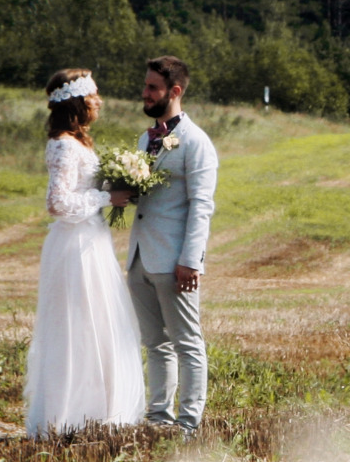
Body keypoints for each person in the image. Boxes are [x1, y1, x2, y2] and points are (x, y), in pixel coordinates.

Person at [25, 68, 146, 437]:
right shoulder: (63, 144)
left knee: (100, 323)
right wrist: (106, 197)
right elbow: (57, 202)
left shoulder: (78, 144)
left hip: (91, 239)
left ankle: (98, 411)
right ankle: (70, 415)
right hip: (75, 245)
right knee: (78, 326)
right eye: (94, 96)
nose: (100, 101)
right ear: (78, 103)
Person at [115, 55, 218, 433]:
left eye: (152, 88)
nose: (144, 93)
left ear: (174, 92)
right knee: (155, 344)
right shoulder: (146, 138)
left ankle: (188, 425)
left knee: (187, 343)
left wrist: (191, 260)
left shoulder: (196, 143)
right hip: (141, 257)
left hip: (175, 260)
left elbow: (201, 205)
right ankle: (159, 418)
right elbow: (148, 197)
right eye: (145, 86)